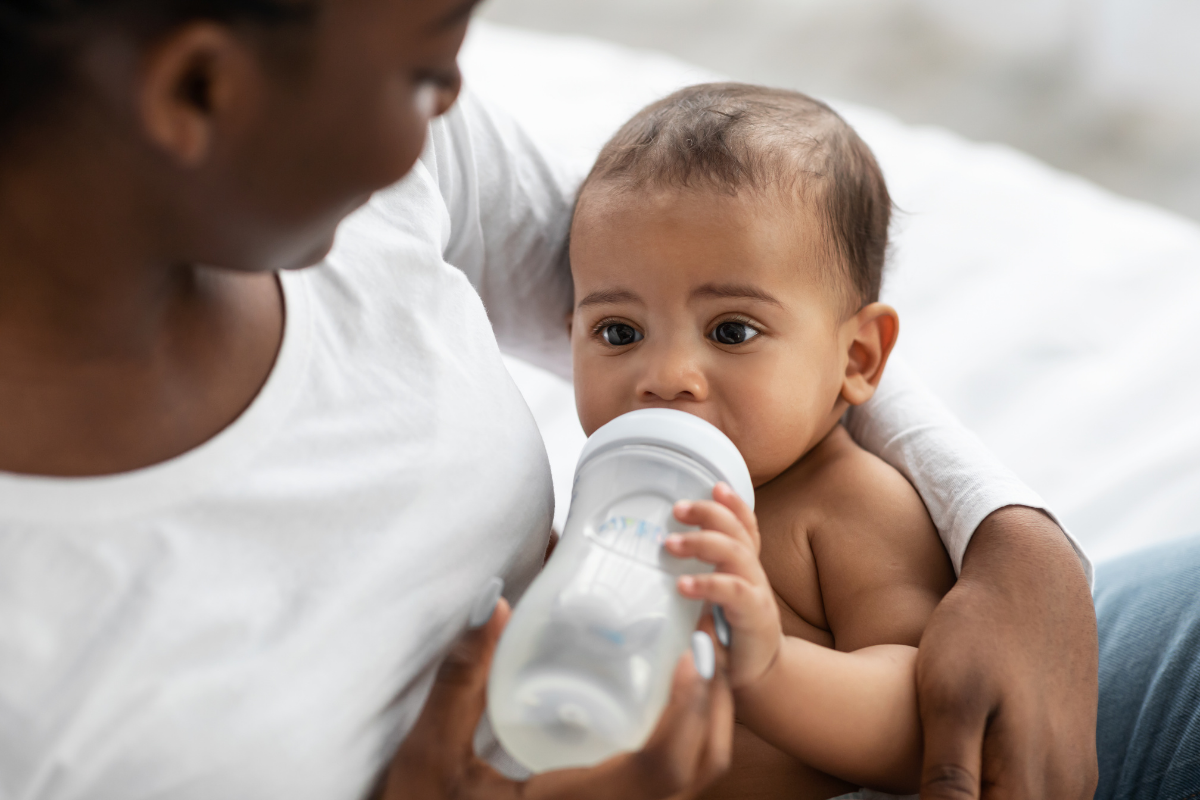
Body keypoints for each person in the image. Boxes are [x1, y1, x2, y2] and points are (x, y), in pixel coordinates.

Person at [0, 1, 1103, 798]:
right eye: (426, 70)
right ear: (201, 89)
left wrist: (1014, 535)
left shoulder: (838, 503)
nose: (453, 107)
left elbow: (746, 278)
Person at [565, 82, 955, 799]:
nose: (668, 377)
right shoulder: (613, 500)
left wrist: (772, 668)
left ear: (857, 358)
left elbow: (927, 724)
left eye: (731, 331)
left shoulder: (850, 505)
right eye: (618, 333)